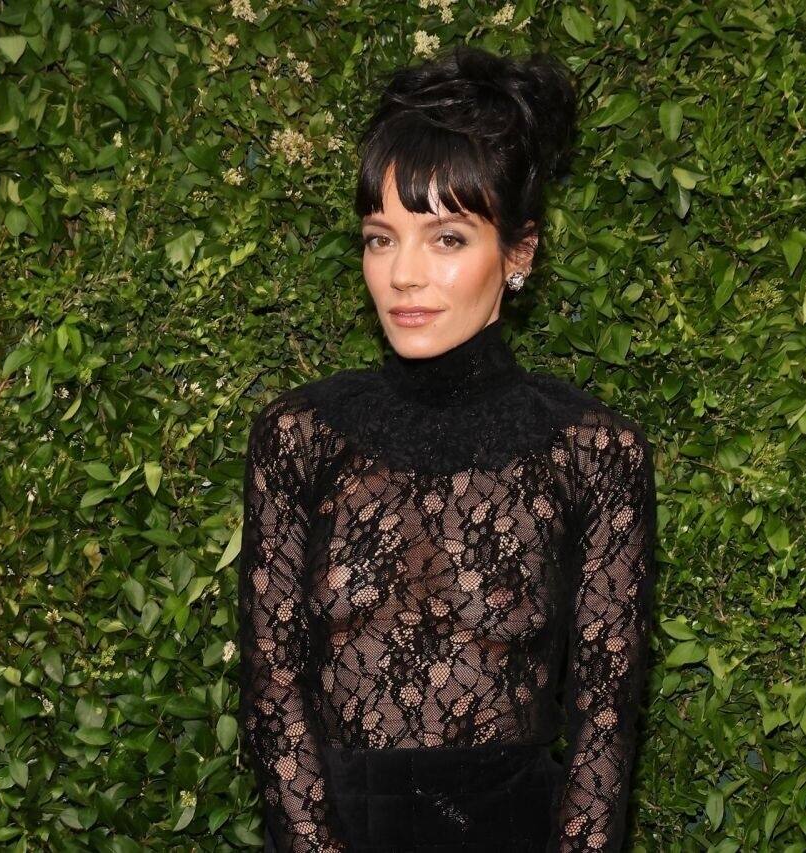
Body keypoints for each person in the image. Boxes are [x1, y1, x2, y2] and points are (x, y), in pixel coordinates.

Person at [237, 45, 659, 853]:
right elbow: (272, 695)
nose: (403, 274)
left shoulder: (595, 452)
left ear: (519, 252)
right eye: (380, 237)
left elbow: (604, 728)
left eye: (447, 239)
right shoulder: (299, 437)